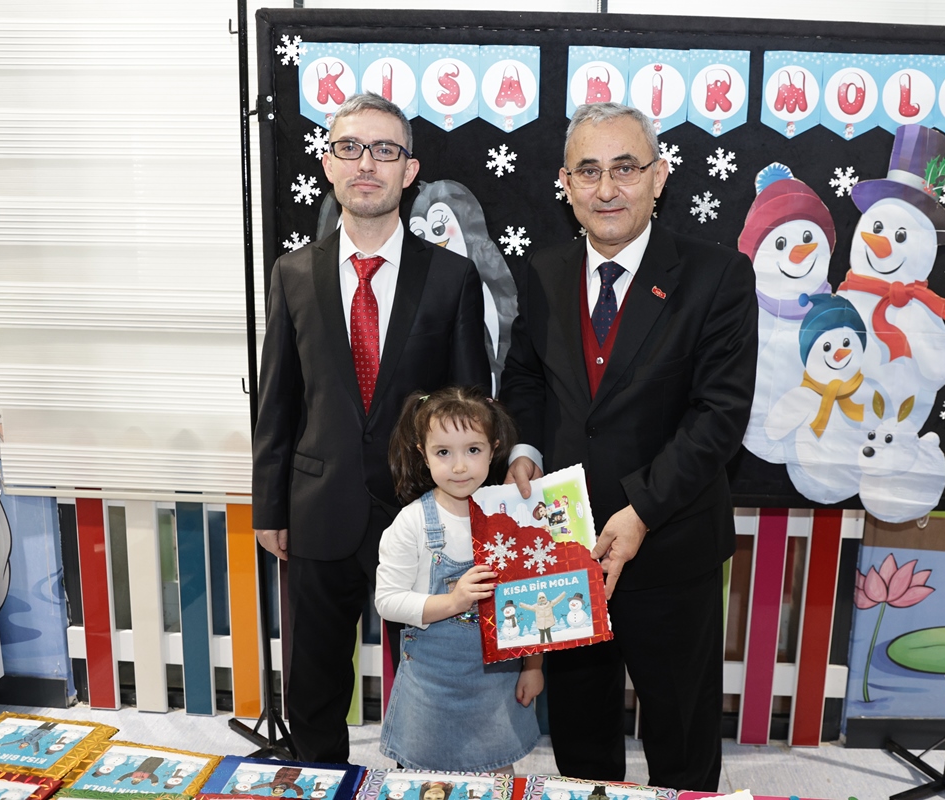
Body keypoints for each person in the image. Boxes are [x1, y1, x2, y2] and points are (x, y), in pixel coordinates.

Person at [499, 102, 757, 791]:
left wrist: (641, 510)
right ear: (565, 184)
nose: (606, 188)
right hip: (565, 546)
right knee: (580, 733)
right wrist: (524, 448)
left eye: (625, 168)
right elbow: (525, 375)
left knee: (681, 738)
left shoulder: (717, 275)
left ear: (659, 176)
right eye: (588, 171)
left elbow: (719, 416)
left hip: (669, 543)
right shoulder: (543, 270)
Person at [252, 92, 490, 763]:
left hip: (420, 510)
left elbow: (471, 405)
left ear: (408, 171)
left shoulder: (451, 277)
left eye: (384, 150)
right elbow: (278, 401)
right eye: (350, 148)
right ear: (329, 164)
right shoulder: (293, 274)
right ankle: (320, 776)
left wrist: (476, 509)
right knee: (314, 681)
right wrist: (269, 506)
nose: (366, 163)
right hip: (317, 506)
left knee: (438, 672)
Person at [375, 386, 542, 772]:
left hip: (495, 689)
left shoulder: (509, 516)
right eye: (443, 453)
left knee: (497, 781)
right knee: (428, 786)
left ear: (493, 449)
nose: (460, 466)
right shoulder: (412, 522)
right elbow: (387, 601)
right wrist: (453, 601)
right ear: (423, 453)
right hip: (431, 691)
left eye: (473, 450)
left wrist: (533, 668)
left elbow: (530, 595)